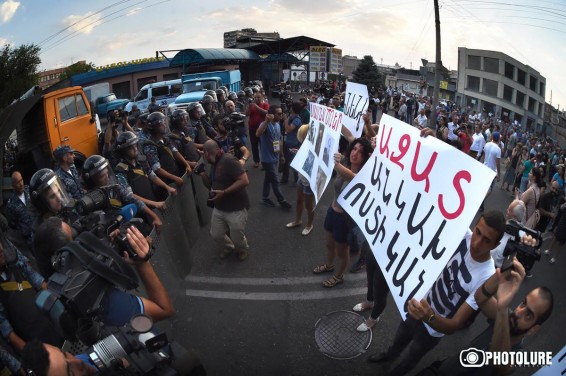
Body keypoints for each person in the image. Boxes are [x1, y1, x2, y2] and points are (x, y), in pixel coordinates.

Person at [21, 224, 180, 376]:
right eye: (69, 371)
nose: (77, 362)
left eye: (65, 355)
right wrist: (143, 264)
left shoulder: (72, 318)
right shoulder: (113, 304)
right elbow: (165, 309)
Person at [368, 211, 506, 376]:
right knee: (399, 339)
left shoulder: (487, 277)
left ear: (496, 245)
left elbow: (453, 325)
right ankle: (389, 356)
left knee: (411, 358)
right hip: (420, 304)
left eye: (487, 240)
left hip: (433, 329)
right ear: (474, 226)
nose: (476, 243)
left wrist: (429, 316)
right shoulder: (463, 235)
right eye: (478, 232)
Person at [420, 259, 553, 375]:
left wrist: (502, 309)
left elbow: (499, 358)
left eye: (528, 315)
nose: (519, 313)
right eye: (523, 303)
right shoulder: (506, 316)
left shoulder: (517, 357)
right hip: (441, 370)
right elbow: (480, 297)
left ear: (533, 329)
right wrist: (513, 265)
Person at [313, 138, 373, 288]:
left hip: (344, 219)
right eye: (354, 149)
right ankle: (329, 265)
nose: (356, 153)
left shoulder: (363, 175)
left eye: (360, 152)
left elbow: (350, 176)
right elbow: (348, 135)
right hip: (332, 211)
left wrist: (336, 163)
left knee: (342, 251)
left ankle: (338, 275)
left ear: (366, 156)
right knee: (328, 244)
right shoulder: (345, 163)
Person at [0, 231, 64, 352]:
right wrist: (31, 353)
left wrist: (60, 303)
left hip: (49, 322)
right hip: (36, 342)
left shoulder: (13, 263)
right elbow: (7, 331)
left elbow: (37, 280)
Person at [198, 140, 250, 261]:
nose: (205, 158)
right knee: (216, 234)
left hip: (235, 207)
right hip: (219, 207)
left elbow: (244, 181)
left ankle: (242, 248)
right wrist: (202, 174)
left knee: (237, 235)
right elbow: (210, 184)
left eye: (205, 154)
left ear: (212, 152)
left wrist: (225, 192)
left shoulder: (228, 160)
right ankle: (229, 247)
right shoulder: (214, 162)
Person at [82, 155, 163, 231]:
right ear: (92, 180)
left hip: (127, 227)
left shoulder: (114, 188)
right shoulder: (90, 201)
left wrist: (155, 216)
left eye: (107, 173)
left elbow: (134, 200)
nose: (107, 178)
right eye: (102, 176)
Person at [114, 131, 176, 208]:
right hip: (142, 209)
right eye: (130, 148)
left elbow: (152, 176)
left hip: (153, 201)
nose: (135, 149)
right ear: (123, 151)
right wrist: (154, 203)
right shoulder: (120, 170)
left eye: (135, 145)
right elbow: (129, 195)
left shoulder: (141, 161)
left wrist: (167, 187)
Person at [255, 106, 292, 209]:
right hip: (267, 159)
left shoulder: (278, 125)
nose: (281, 115)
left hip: (275, 157)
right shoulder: (265, 124)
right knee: (275, 180)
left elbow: (279, 141)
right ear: (272, 114)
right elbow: (257, 134)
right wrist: (266, 121)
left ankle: (265, 197)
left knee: (268, 178)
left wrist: (282, 155)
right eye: (279, 114)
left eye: (281, 113)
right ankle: (282, 200)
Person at [143, 111, 192, 187]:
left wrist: (187, 165)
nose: (164, 125)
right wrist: (175, 178)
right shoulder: (149, 145)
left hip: (177, 175)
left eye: (164, 122)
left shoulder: (165, 139)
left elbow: (175, 152)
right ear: (154, 127)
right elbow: (157, 169)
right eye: (161, 123)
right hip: (168, 183)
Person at [285, 125, 315, 236]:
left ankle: (310, 224)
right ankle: (298, 220)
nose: (302, 138)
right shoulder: (304, 145)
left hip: (309, 181)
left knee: (309, 205)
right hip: (301, 177)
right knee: (299, 200)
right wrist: (298, 152)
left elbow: (313, 162)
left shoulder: (315, 147)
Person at [4, 171, 37, 250]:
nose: (21, 184)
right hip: (29, 239)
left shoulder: (30, 190)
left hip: (39, 230)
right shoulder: (11, 204)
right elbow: (12, 224)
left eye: (21, 180)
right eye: (17, 182)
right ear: (13, 186)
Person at [489, 199, 526, 268]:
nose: (507, 210)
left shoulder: (521, 238)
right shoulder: (522, 233)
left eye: (509, 210)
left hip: (494, 267)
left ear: (514, 217)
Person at [246, 91, 269, 168]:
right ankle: (256, 161)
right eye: (255, 97)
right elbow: (247, 114)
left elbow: (266, 113)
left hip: (262, 129)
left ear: (262, 97)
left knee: (263, 145)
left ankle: (264, 162)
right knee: (254, 145)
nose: (256, 99)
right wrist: (249, 107)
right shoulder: (251, 105)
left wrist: (256, 106)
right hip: (252, 128)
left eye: (258, 97)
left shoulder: (265, 104)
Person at [281, 102, 302, 185]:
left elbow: (288, 129)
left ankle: (297, 179)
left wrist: (286, 119)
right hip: (287, 142)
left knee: (293, 163)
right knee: (285, 162)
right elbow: (284, 126)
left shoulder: (297, 119)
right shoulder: (291, 117)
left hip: (294, 143)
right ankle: (284, 179)